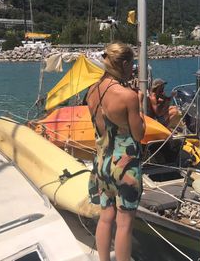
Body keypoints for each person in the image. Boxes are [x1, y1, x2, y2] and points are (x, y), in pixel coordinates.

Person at [86, 42, 145, 261]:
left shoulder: (92, 90)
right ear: (125, 63)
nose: (133, 69)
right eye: (132, 64)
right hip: (125, 165)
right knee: (124, 224)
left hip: (102, 163)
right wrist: (138, 104)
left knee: (105, 217)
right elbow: (138, 134)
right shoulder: (127, 96)